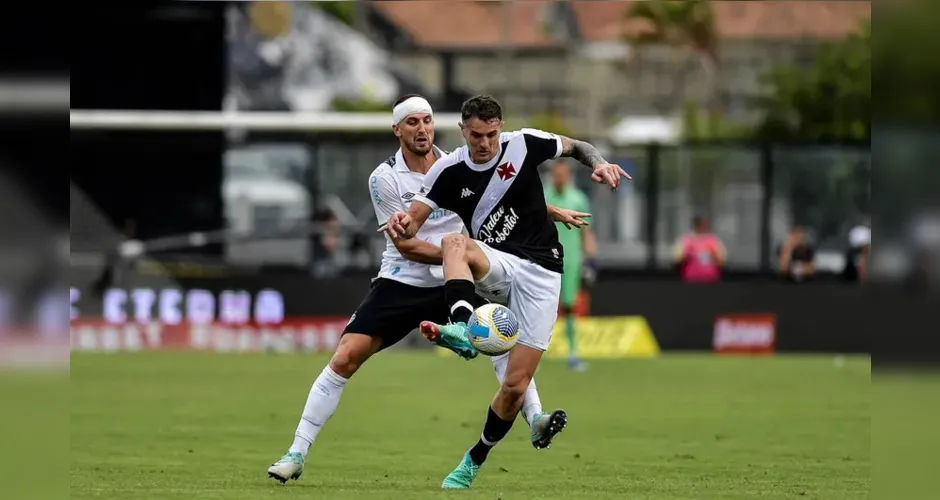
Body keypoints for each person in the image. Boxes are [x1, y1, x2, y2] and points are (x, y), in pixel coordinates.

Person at [267, 94, 590, 483]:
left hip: (461, 272)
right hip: (406, 277)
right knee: (346, 356)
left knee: (501, 339)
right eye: (412, 123)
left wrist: (549, 213)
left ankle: (534, 415)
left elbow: (506, 197)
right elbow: (406, 245)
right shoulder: (384, 178)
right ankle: (296, 452)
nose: (421, 129)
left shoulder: (458, 160)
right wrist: (458, 253)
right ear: (397, 130)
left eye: (426, 120)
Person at [383, 95, 629, 489]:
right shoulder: (447, 170)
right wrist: (401, 222)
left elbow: (578, 147)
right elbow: (412, 223)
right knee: (453, 243)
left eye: (492, 134)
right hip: (497, 262)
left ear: (501, 128)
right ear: (463, 131)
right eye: (477, 135)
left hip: (544, 272)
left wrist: (599, 164)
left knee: (514, 387)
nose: (485, 143)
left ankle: (474, 458)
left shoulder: (524, 143)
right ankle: (463, 326)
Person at [542, 160, 596, 371]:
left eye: (563, 174)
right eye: (557, 174)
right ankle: (533, 353)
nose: (560, 178)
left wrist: (591, 258)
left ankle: (573, 353)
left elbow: (587, 232)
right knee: (541, 306)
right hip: (545, 259)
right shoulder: (543, 196)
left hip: (571, 259)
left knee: (569, 305)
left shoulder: (578, 199)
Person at [673, 215, 726, 284]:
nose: (703, 227)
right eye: (701, 224)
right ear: (695, 225)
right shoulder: (686, 240)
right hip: (691, 279)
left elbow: (721, 261)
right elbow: (677, 259)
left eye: (705, 225)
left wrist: (714, 255)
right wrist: (687, 254)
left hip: (711, 279)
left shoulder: (713, 240)